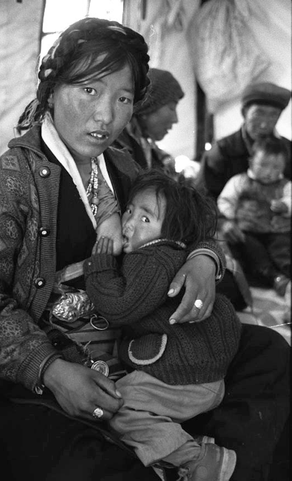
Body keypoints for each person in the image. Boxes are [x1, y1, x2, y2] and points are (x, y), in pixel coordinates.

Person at [0, 17, 289, 481]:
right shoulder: (5, 187)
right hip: (48, 378)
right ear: (52, 89)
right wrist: (51, 369)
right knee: (92, 465)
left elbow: (195, 217)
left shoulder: (121, 166)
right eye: (89, 91)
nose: (106, 116)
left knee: (269, 351)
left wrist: (204, 257)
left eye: (122, 98)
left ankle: (216, 466)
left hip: (141, 347)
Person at [84, 170, 242, 481]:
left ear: (172, 234)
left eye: (145, 219)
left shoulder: (153, 259)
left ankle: (197, 458)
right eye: (129, 210)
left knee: (118, 408)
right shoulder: (171, 254)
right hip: (205, 371)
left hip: (188, 375)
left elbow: (121, 306)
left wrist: (99, 267)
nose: (128, 223)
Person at [217, 137, 291, 296]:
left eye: (276, 167)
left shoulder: (286, 185)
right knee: (253, 251)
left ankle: (288, 272)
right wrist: (231, 217)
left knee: (283, 248)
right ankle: (274, 277)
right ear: (251, 162)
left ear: (284, 166)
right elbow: (225, 200)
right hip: (248, 230)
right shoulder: (239, 181)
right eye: (263, 165)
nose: (269, 172)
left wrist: (286, 206)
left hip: (277, 230)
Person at [195, 81, 291, 200]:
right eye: (258, 113)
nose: (264, 124)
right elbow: (201, 201)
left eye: (273, 115)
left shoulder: (288, 149)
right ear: (244, 113)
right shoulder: (222, 151)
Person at [114, 67, 184, 174]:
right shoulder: (117, 148)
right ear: (147, 108)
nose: (175, 119)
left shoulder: (148, 150)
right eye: (171, 107)